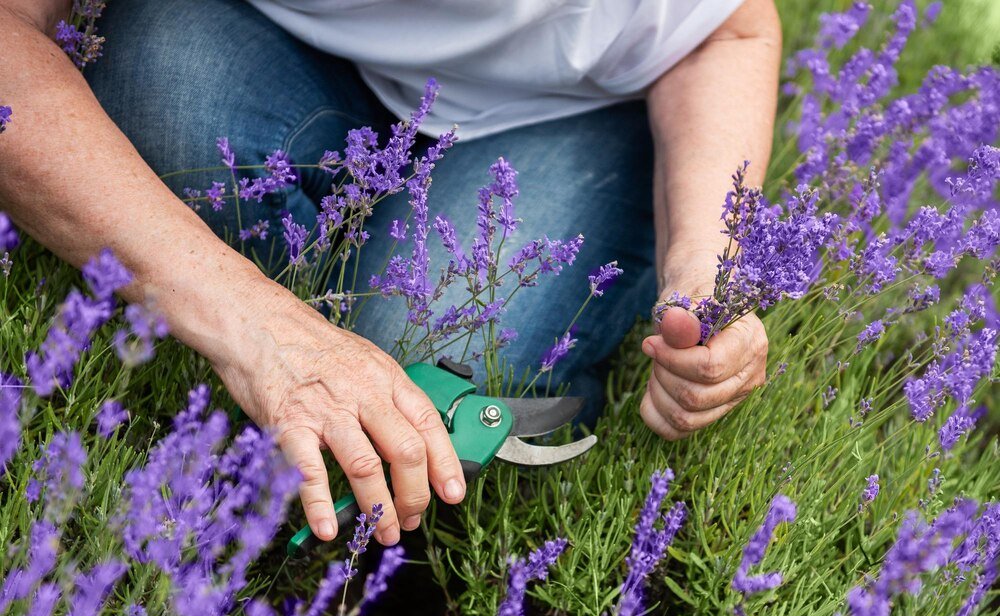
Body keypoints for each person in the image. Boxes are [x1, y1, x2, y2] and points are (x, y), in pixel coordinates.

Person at [0, 0, 779, 548]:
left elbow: (728, 28)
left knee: (425, 370)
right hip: (273, 36)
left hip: (549, 108)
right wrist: (257, 331)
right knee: (168, 113)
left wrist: (708, 265)